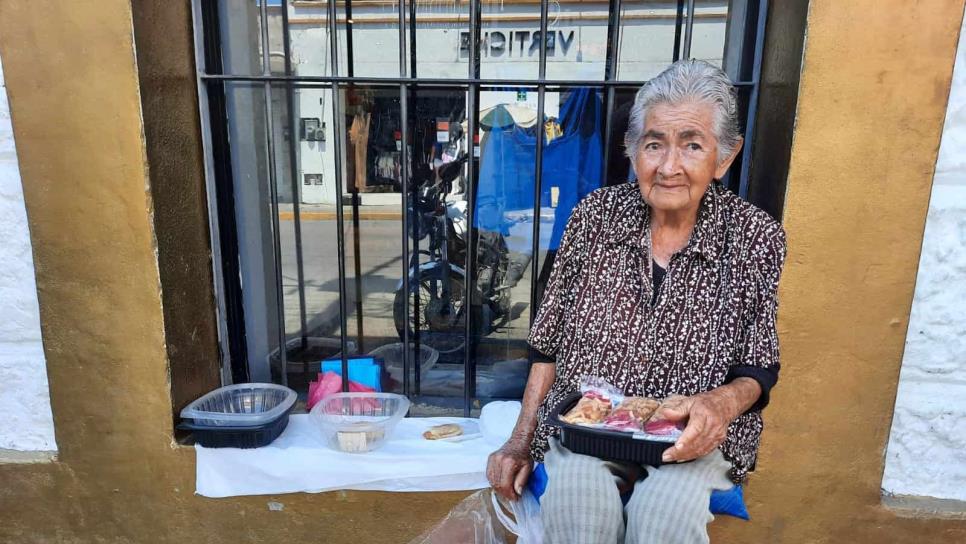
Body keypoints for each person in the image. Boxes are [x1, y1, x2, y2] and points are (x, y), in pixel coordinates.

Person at [485, 59, 787, 544]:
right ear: (632, 150)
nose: (669, 166)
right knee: (579, 506)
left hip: (690, 439)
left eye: (692, 144)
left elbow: (759, 365)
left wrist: (720, 403)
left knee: (663, 516)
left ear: (726, 156)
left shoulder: (754, 237)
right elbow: (547, 344)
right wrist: (519, 441)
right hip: (589, 431)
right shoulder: (595, 217)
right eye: (653, 144)